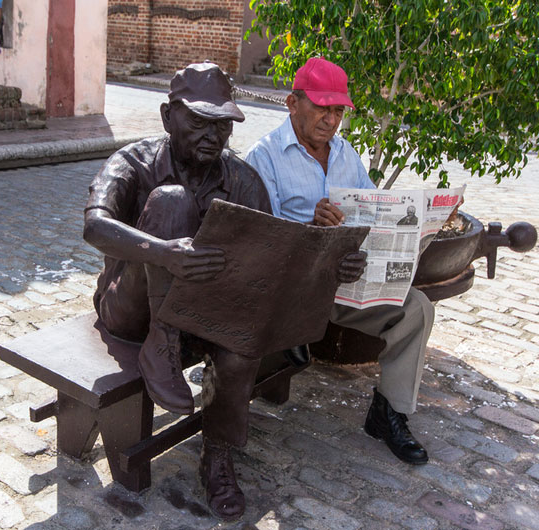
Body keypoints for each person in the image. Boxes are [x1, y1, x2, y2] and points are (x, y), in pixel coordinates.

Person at [83, 62, 366, 521]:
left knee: (240, 345)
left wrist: (337, 264)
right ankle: (163, 341)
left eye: (222, 125)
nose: (212, 135)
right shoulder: (132, 162)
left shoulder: (241, 179)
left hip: (203, 308)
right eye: (199, 121)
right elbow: (94, 225)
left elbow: (277, 257)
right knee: (171, 201)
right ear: (167, 116)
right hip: (130, 310)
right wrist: (161, 252)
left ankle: (218, 457)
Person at [245, 57, 435, 466]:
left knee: (416, 308)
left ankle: (389, 413)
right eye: (321, 107)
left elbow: (373, 212)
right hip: (295, 285)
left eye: (338, 110)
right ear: (292, 103)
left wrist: (411, 229)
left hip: (347, 280)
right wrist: (312, 228)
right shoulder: (264, 157)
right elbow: (259, 240)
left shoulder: (347, 154)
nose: (331, 120)